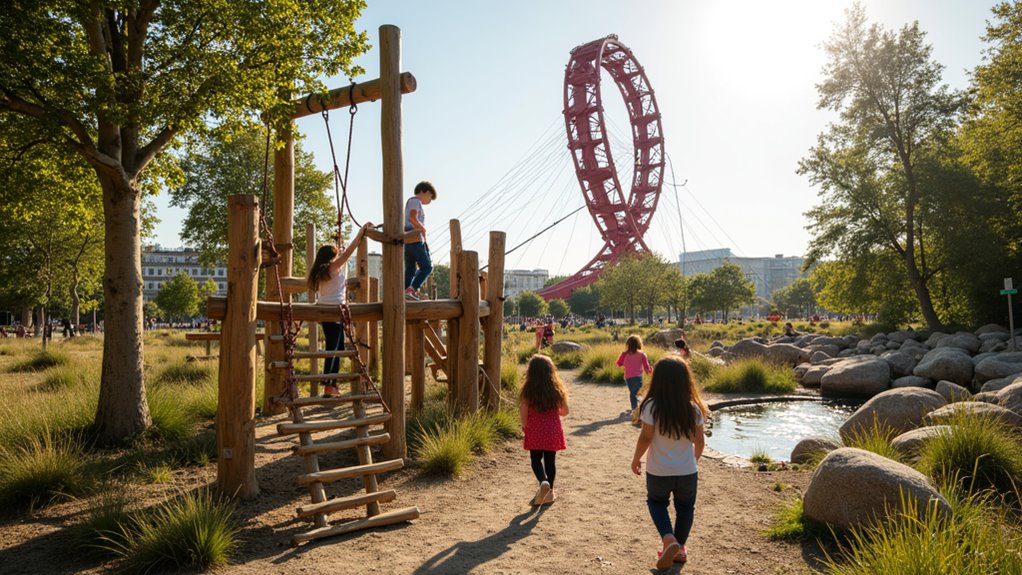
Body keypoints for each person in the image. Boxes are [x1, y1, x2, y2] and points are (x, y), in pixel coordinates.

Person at [631, 356, 709, 569]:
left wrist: (636, 458)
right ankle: (680, 549)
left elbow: (646, 437)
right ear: (686, 380)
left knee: (656, 503)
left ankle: (668, 539)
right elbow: (700, 441)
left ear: (657, 380)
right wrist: (693, 461)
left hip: (658, 470)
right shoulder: (694, 408)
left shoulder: (651, 406)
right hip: (687, 471)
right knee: (685, 508)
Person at [307, 223, 372, 398]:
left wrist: (340, 243)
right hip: (334, 311)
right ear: (331, 257)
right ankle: (330, 384)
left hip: (325, 310)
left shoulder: (322, 270)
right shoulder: (333, 267)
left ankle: (331, 384)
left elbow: (343, 253)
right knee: (334, 348)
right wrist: (360, 234)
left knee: (334, 346)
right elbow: (349, 252)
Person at [519, 354, 569, 506]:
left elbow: (523, 410)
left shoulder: (528, 390)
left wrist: (524, 425)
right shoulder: (556, 389)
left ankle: (543, 482)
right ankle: (550, 492)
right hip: (552, 430)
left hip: (534, 429)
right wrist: (554, 411)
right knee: (550, 461)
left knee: (535, 459)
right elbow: (565, 411)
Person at [404, 181, 437, 300]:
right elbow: (412, 218)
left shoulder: (412, 202)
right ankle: (411, 289)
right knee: (427, 267)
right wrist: (422, 228)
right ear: (425, 192)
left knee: (411, 268)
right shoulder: (415, 201)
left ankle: (406, 291)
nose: (429, 200)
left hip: (407, 238)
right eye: (430, 197)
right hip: (414, 237)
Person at [616, 335, 652, 413]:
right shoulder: (642, 355)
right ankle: (636, 409)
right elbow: (646, 367)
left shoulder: (624, 354)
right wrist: (650, 371)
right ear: (639, 344)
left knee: (633, 393)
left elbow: (618, 363)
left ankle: (635, 408)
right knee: (635, 394)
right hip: (637, 377)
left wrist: (625, 362)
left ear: (628, 344)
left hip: (628, 377)